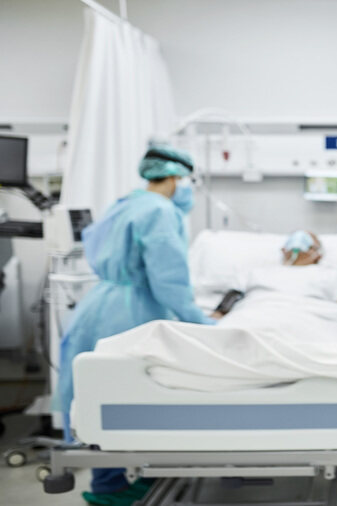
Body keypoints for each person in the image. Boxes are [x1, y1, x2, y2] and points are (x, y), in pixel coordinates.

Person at [56, 144, 217, 506]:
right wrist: (202, 322)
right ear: (176, 178)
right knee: (126, 392)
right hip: (130, 312)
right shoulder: (160, 212)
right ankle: (113, 487)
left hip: (100, 304)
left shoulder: (126, 203)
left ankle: (113, 478)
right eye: (187, 181)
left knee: (100, 393)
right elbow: (169, 281)